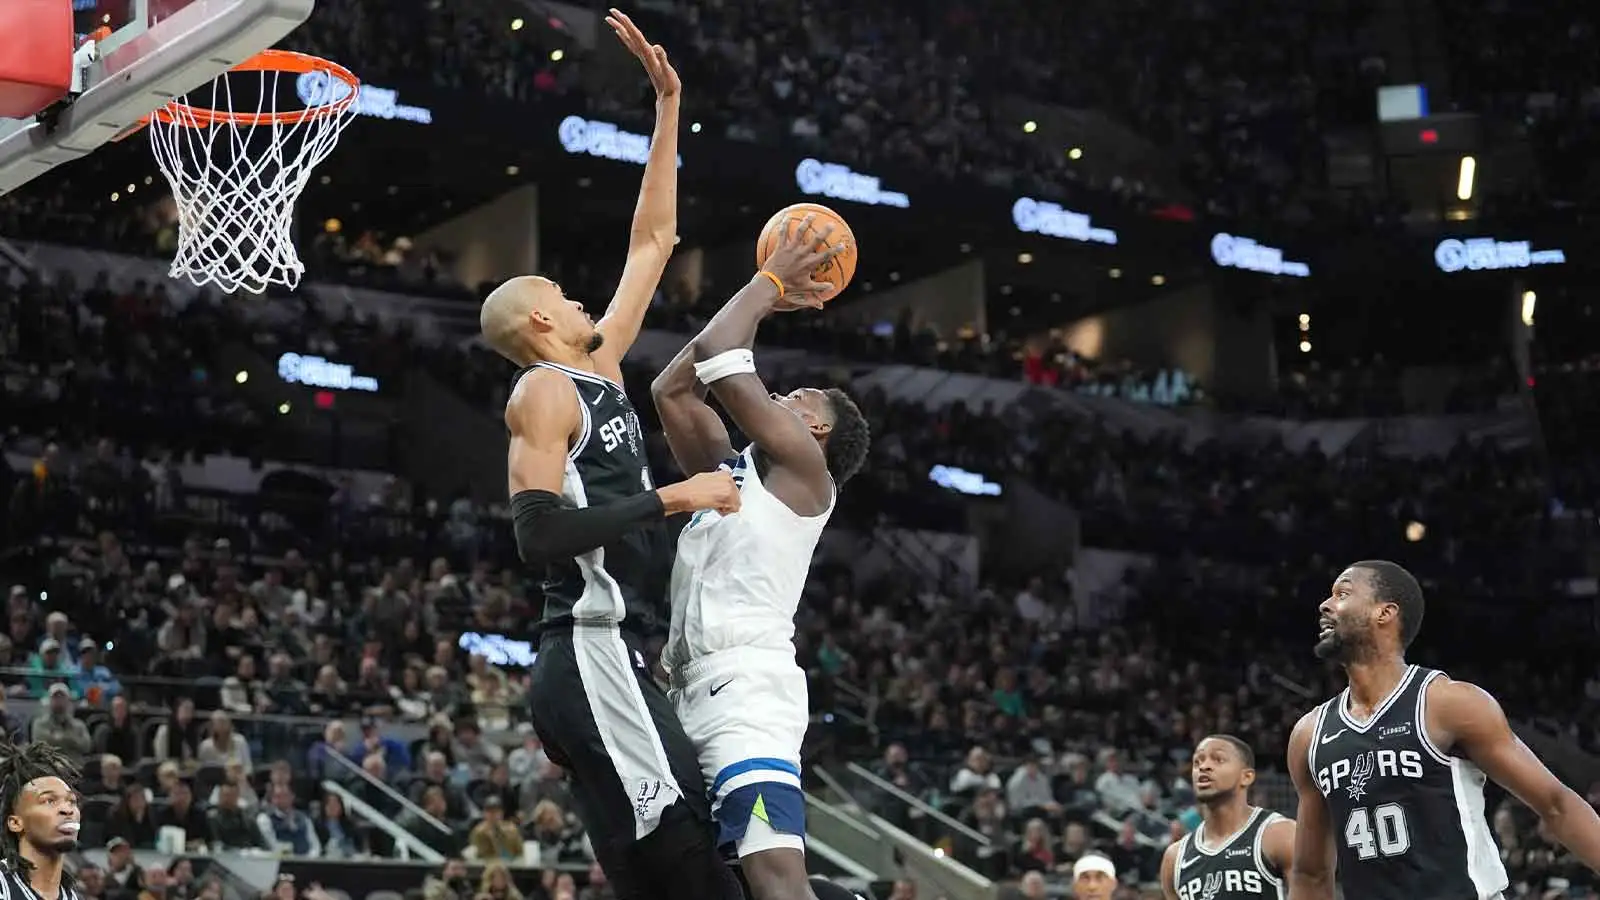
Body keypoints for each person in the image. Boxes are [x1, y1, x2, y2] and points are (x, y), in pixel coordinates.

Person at [477, 11, 741, 900]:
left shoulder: (597, 367)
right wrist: (677, 496)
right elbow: (538, 537)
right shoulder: (543, 392)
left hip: (616, 653)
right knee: (691, 846)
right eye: (562, 292)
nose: (582, 297)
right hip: (584, 648)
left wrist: (668, 106)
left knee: (661, 867)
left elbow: (652, 241)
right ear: (541, 319)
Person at [651, 214, 869, 900]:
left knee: (777, 882)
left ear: (816, 427)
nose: (778, 393)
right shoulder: (730, 469)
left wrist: (770, 284)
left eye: (796, 397)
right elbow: (671, 389)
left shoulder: (807, 471)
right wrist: (763, 292)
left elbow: (722, 351)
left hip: (747, 694)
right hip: (685, 690)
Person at [1287, 560, 1600, 900]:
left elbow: (1555, 804)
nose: (1325, 604)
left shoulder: (1448, 704)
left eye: (1343, 594)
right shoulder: (1310, 735)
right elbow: (1311, 874)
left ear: (1385, 613)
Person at [1162, 735, 1294, 900]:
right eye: (1197, 762)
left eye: (1218, 759)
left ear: (1246, 777)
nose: (1204, 766)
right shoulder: (1174, 858)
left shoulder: (1280, 835)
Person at [0, 737, 84, 900]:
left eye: (71, 801)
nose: (67, 810)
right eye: (49, 801)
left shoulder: (72, 896)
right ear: (15, 823)